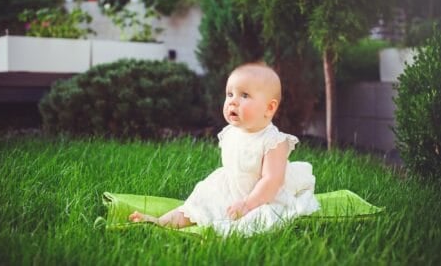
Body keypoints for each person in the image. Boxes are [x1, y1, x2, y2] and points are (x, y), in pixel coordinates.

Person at [129, 62, 319, 235]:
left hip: (263, 197)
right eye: (230, 94)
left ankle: (224, 233)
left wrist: (248, 204)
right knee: (198, 203)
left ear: (269, 108)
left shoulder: (274, 141)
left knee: (259, 221)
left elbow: (271, 180)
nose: (233, 101)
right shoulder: (230, 132)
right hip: (229, 187)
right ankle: (161, 222)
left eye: (244, 95)